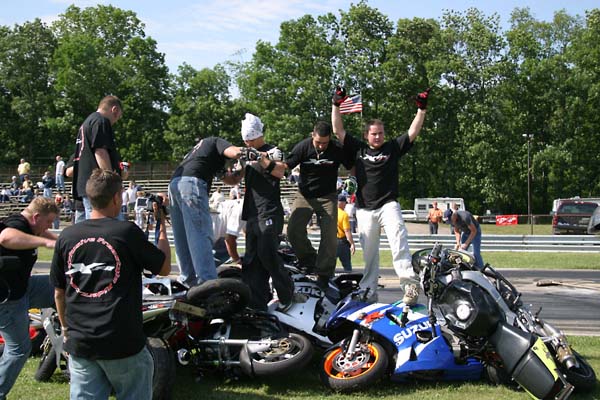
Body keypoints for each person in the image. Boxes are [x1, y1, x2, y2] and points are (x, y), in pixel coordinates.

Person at [49, 169, 171, 400]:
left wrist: (66, 329)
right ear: (116, 198)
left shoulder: (67, 235)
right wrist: (162, 226)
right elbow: (164, 268)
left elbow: (59, 292)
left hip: (81, 340)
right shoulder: (126, 232)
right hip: (121, 340)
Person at [331, 86, 429, 304]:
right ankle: (368, 290)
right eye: (374, 133)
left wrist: (421, 110)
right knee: (370, 255)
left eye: (381, 133)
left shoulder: (392, 148)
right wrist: (336, 104)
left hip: (388, 205)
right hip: (365, 209)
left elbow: (412, 132)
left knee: (399, 241)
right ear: (366, 135)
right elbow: (338, 130)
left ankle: (410, 286)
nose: (378, 136)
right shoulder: (358, 149)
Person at [0, 197, 58, 400]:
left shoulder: (29, 225)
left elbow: (44, 233)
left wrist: (60, 241)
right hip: (8, 300)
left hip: (25, 288)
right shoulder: (16, 225)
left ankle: (70, 334)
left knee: (62, 286)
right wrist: (46, 243)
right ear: (36, 217)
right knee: (19, 350)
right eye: (48, 222)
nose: (49, 227)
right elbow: (5, 238)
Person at [168, 136, 245, 287]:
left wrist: (242, 169)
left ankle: (187, 281)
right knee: (200, 235)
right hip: (192, 183)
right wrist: (250, 153)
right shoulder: (215, 141)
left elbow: (231, 180)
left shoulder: (201, 156)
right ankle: (208, 283)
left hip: (175, 183)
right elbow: (235, 152)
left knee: (182, 237)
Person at [238, 113, 296, 311]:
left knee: (267, 253)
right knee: (251, 261)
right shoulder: (245, 154)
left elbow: (281, 171)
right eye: (246, 141)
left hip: (269, 211)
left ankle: (287, 293)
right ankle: (256, 304)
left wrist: (259, 158)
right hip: (252, 212)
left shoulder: (273, 151)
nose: (247, 143)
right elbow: (237, 176)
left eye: (249, 140)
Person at [285, 121, 351, 288]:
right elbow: (286, 166)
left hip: (327, 196)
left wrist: (353, 178)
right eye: (318, 142)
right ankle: (309, 259)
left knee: (330, 235)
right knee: (293, 230)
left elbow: (352, 165)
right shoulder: (303, 147)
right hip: (305, 194)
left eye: (325, 143)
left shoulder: (337, 149)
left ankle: (324, 273)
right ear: (312, 135)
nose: (321, 146)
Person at [72, 95, 126, 221]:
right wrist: (111, 181)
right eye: (118, 117)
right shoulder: (101, 121)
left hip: (87, 185)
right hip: (100, 188)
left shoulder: (87, 122)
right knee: (108, 226)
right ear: (114, 110)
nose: (115, 121)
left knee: (90, 227)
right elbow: (100, 151)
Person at [336, 195, 355, 272]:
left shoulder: (330, 212)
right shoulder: (344, 214)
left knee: (330, 266)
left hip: (330, 241)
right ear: (342, 203)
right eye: (345, 203)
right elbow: (347, 230)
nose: (345, 205)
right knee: (347, 266)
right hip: (341, 242)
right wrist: (352, 243)